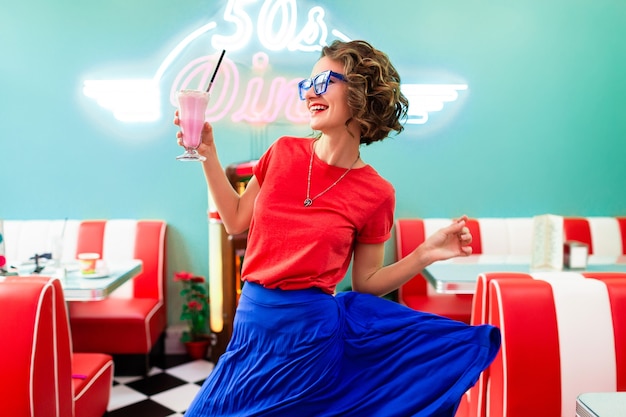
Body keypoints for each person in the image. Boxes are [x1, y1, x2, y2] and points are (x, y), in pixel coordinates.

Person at [175, 40, 500, 416]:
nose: (310, 92)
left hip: (309, 341)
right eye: (307, 84)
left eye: (324, 81)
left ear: (361, 92)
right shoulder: (282, 153)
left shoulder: (376, 193)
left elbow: (367, 282)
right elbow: (234, 220)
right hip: (251, 327)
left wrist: (425, 253)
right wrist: (208, 152)